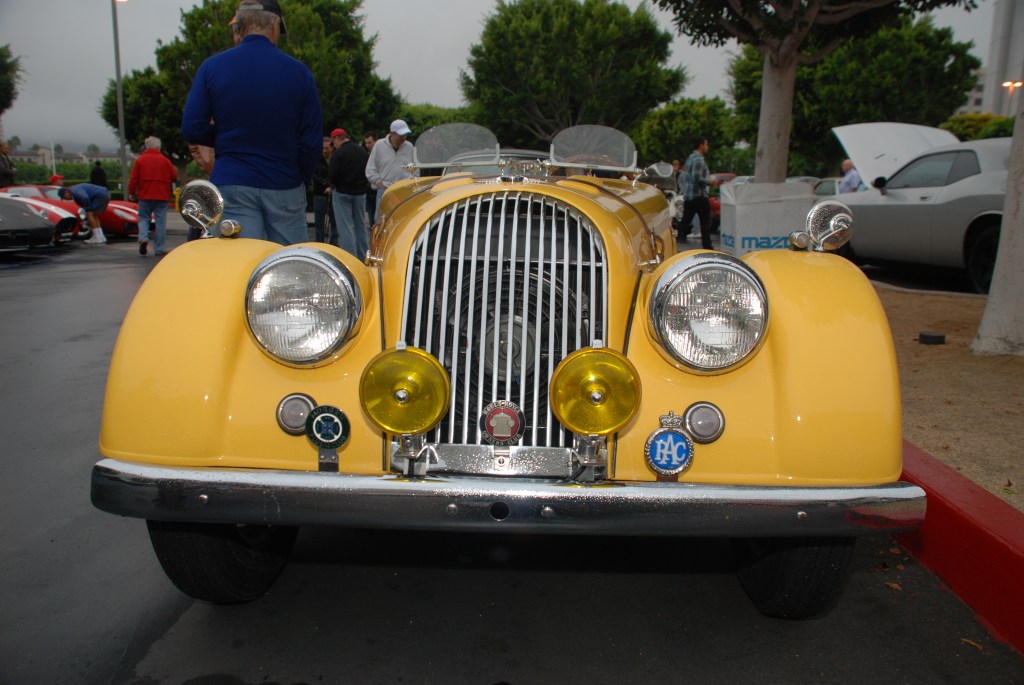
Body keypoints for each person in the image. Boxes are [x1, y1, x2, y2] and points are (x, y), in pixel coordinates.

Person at [181, 0, 323, 245]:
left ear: (240, 27)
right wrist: (301, 176)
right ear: (275, 26)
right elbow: (311, 141)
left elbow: (192, 127)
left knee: (239, 265)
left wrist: (226, 138)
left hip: (233, 181)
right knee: (288, 266)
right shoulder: (300, 73)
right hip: (284, 181)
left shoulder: (212, 67)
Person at [128, 136, 179, 257]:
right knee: (160, 222)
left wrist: (131, 192)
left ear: (146, 147)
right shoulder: (164, 160)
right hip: (161, 195)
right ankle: (159, 248)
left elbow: (133, 179)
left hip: (145, 194)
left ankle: (143, 237)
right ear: (158, 147)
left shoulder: (140, 160)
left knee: (143, 218)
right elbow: (174, 175)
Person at [328, 128, 370, 258]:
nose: (332, 144)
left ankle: (350, 257)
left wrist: (331, 184)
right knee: (360, 226)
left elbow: (332, 175)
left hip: (342, 192)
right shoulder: (362, 151)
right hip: (360, 192)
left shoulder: (339, 153)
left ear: (337, 138)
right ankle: (363, 256)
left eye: (332, 141)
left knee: (346, 227)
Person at [365, 119, 416, 225]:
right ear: (392, 133)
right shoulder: (379, 145)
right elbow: (370, 168)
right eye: (401, 135)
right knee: (380, 222)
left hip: (404, 190)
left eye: (405, 134)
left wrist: (412, 180)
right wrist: (379, 183)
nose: (403, 137)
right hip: (385, 190)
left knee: (403, 220)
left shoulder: (409, 147)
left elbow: (413, 167)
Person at [678, 136, 713, 250]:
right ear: (701, 145)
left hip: (689, 196)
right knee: (705, 222)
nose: (707, 147)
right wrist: (710, 181)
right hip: (698, 195)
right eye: (706, 144)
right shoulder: (698, 159)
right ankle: (708, 247)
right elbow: (696, 177)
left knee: (685, 221)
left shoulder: (690, 158)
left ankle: (676, 240)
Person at [312, 136, 337, 245]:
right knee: (319, 224)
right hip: (319, 194)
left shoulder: (336, 158)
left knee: (334, 223)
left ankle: (334, 244)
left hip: (333, 194)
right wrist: (325, 184)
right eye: (323, 148)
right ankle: (319, 244)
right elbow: (314, 176)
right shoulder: (316, 159)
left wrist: (331, 186)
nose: (325, 150)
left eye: (327, 148)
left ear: (331, 148)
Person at [362, 132, 377, 223]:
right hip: (369, 189)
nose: (367, 145)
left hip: (379, 187)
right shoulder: (365, 154)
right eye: (366, 143)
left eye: (370, 142)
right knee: (371, 217)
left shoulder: (380, 154)